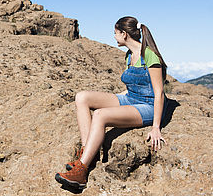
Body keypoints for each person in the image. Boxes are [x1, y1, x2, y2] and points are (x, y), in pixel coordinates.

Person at [55, 16, 168, 190]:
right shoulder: (129, 55)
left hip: (148, 106)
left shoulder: (150, 56)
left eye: (115, 33)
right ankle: (86, 154)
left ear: (124, 34)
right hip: (130, 98)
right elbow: (132, 87)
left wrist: (155, 127)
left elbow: (159, 93)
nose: (114, 37)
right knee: (82, 97)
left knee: (101, 115)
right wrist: (112, 100)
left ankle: (81, 172)